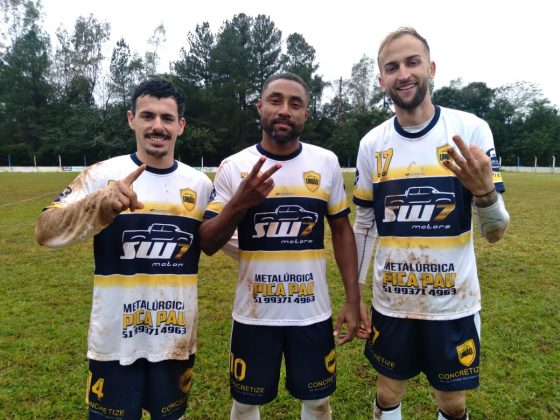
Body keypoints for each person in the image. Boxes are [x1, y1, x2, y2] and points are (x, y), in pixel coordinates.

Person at [352, 28, 510, 420]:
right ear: (382, 80)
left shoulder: (469, 131)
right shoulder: (372, 144)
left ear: (431, 68)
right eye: (392, 67)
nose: (403, 74)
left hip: (453, 303)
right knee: (387, 392)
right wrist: (355, 296)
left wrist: (484, 193)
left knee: (452, 402)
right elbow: (365, 224)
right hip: (392, 303)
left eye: (412, 62)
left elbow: (495, 232)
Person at [34, 79, 213, 419]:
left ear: (181, 126)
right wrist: (100, 204)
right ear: (131, 119)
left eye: (166, 118)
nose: (157, 126)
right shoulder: (102, 174)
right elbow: (45, 230)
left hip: (174, 340)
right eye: (147, 116)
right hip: (114, 340)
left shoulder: (200, 185)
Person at [199, 72, 365, 420]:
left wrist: (353, 300)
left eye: (295, 103)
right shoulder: (234, 166)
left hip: (311, 312)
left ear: (306, 114)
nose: (285, 110)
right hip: (254, 314)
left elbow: (341, 231)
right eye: (275, 100)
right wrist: (240, 202)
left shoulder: (325, 162)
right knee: (245, 402)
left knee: (318, 401)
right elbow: (208, 242)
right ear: (260, 107)